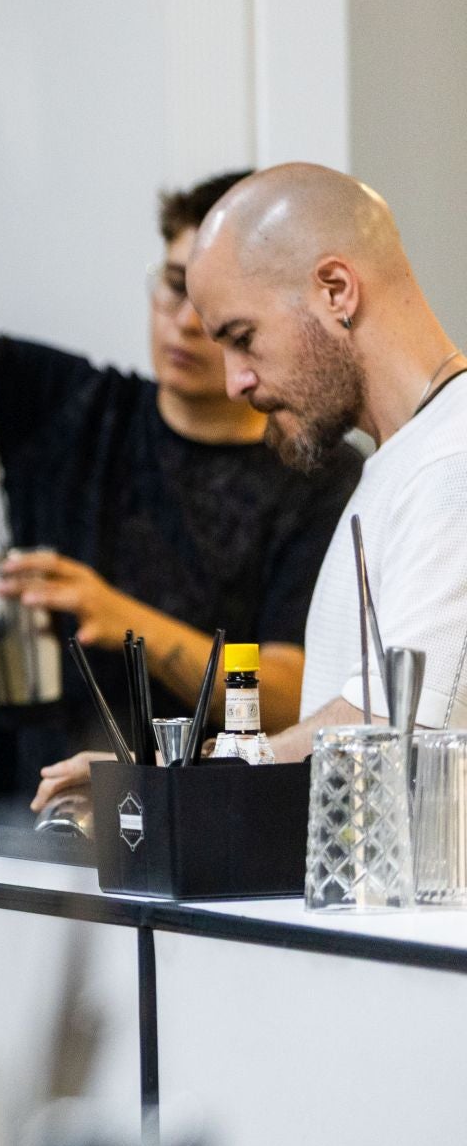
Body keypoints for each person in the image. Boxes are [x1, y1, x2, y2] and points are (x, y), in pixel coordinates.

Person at [0, 82, 359, 823]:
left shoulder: (315, 468)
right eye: (172, 289)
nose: (183, 325)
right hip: (19, 812)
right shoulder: (67, 405)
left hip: (189, 830)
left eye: (213, 313)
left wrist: (121, 618)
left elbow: (296, 691)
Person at [187, 163, 467, 753]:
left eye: (242, 338)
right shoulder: (405, 459)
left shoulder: (453, 460)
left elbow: (391, 731)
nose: (235, 383)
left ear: (336, 290)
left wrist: (168, 787)